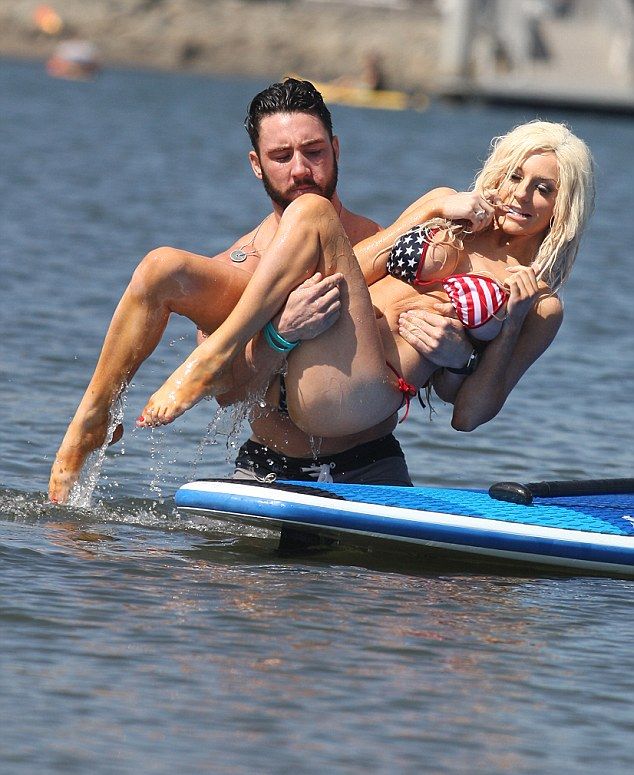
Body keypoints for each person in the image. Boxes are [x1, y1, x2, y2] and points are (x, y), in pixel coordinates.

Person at [48, 78, 453, 504]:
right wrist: (280, 335)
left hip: (370, 467)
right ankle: (94, 414)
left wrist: (455, 359)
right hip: (268, 470)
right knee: (160, 268)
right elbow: (231, 394)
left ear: (336, 149)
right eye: (281, 156)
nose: (300, 169)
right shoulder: (238, 267)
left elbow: (445, 393)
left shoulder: (389, 249)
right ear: (257, 165)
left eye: (314, 152)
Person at [135, 120, 594, 440]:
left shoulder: (540, 305)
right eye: (515, 176)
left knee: (313, 210)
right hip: (317, 352)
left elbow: (468, 416)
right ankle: (99, 419)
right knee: (167, 269)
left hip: (361, 393)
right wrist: (431, 209)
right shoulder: (448, 208)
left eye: (543, 188)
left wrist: (484, 343)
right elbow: (350, 266)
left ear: (564, 207)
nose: (521, 194)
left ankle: (212, 357)